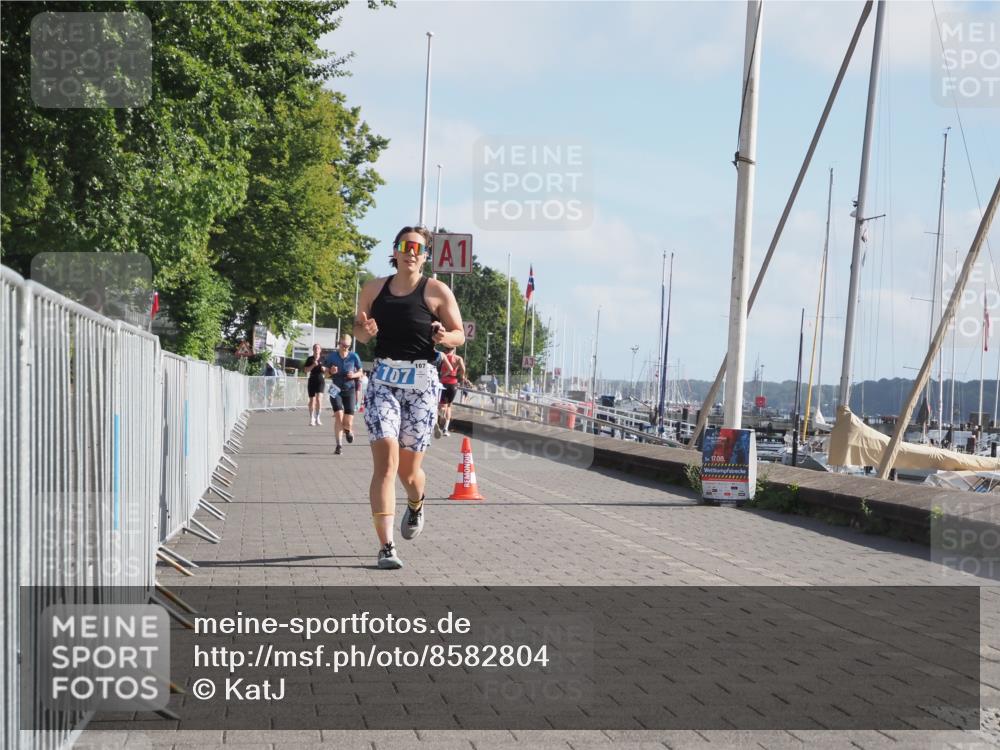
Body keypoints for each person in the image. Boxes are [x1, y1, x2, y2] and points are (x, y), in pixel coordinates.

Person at [354, 225, 465, 570]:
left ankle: (416, 502)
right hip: (384, 381)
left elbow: (459, 334)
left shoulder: (436, 291)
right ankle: (386, 546)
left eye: (418, 248)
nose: (411, 252)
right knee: (385, 463)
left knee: (409, 473)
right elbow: (357, 329)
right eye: (405, 246)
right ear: (396, 250)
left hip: (421, 384)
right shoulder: (373, 289)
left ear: (425, 255)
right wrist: (364, 331)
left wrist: (445, 336)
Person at [324, 334, 364, 455]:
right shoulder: (332, 357)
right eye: (343, 345)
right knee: (339, 417)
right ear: (339, 343)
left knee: (348, 422)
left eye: (347, 346)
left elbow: (361, 372)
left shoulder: (354, 356)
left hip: (350, 390)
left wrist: (354, 375)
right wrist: (331, 371)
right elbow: (325, 374)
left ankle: (348, 431)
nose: (345, 348)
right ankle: (339, 445)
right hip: (336, 390)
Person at [435, 346, 465, 438]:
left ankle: (438, 418)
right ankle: (445, 429)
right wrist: (462, 376)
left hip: (443, 382)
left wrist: (442, 376)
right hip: (453, 383)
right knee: (449, 406)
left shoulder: (443, 355)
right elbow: (463, 369)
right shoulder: (458, 358)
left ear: (446, 349)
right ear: (454, 349)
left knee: (440, 405)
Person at [303, 343, 326, 426]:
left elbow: (327, 370)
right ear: (313, 350)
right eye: (315, 348)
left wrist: (324, 369)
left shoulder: (323, 359)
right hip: (312, 379)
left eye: (318, 348)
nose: (316, 350)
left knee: (319, 400)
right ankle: (311, 418)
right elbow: (305, 370)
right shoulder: (310, 359)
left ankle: (318, 417)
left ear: (320, 350)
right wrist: (313, 365)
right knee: (312, 400)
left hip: (320, 380)